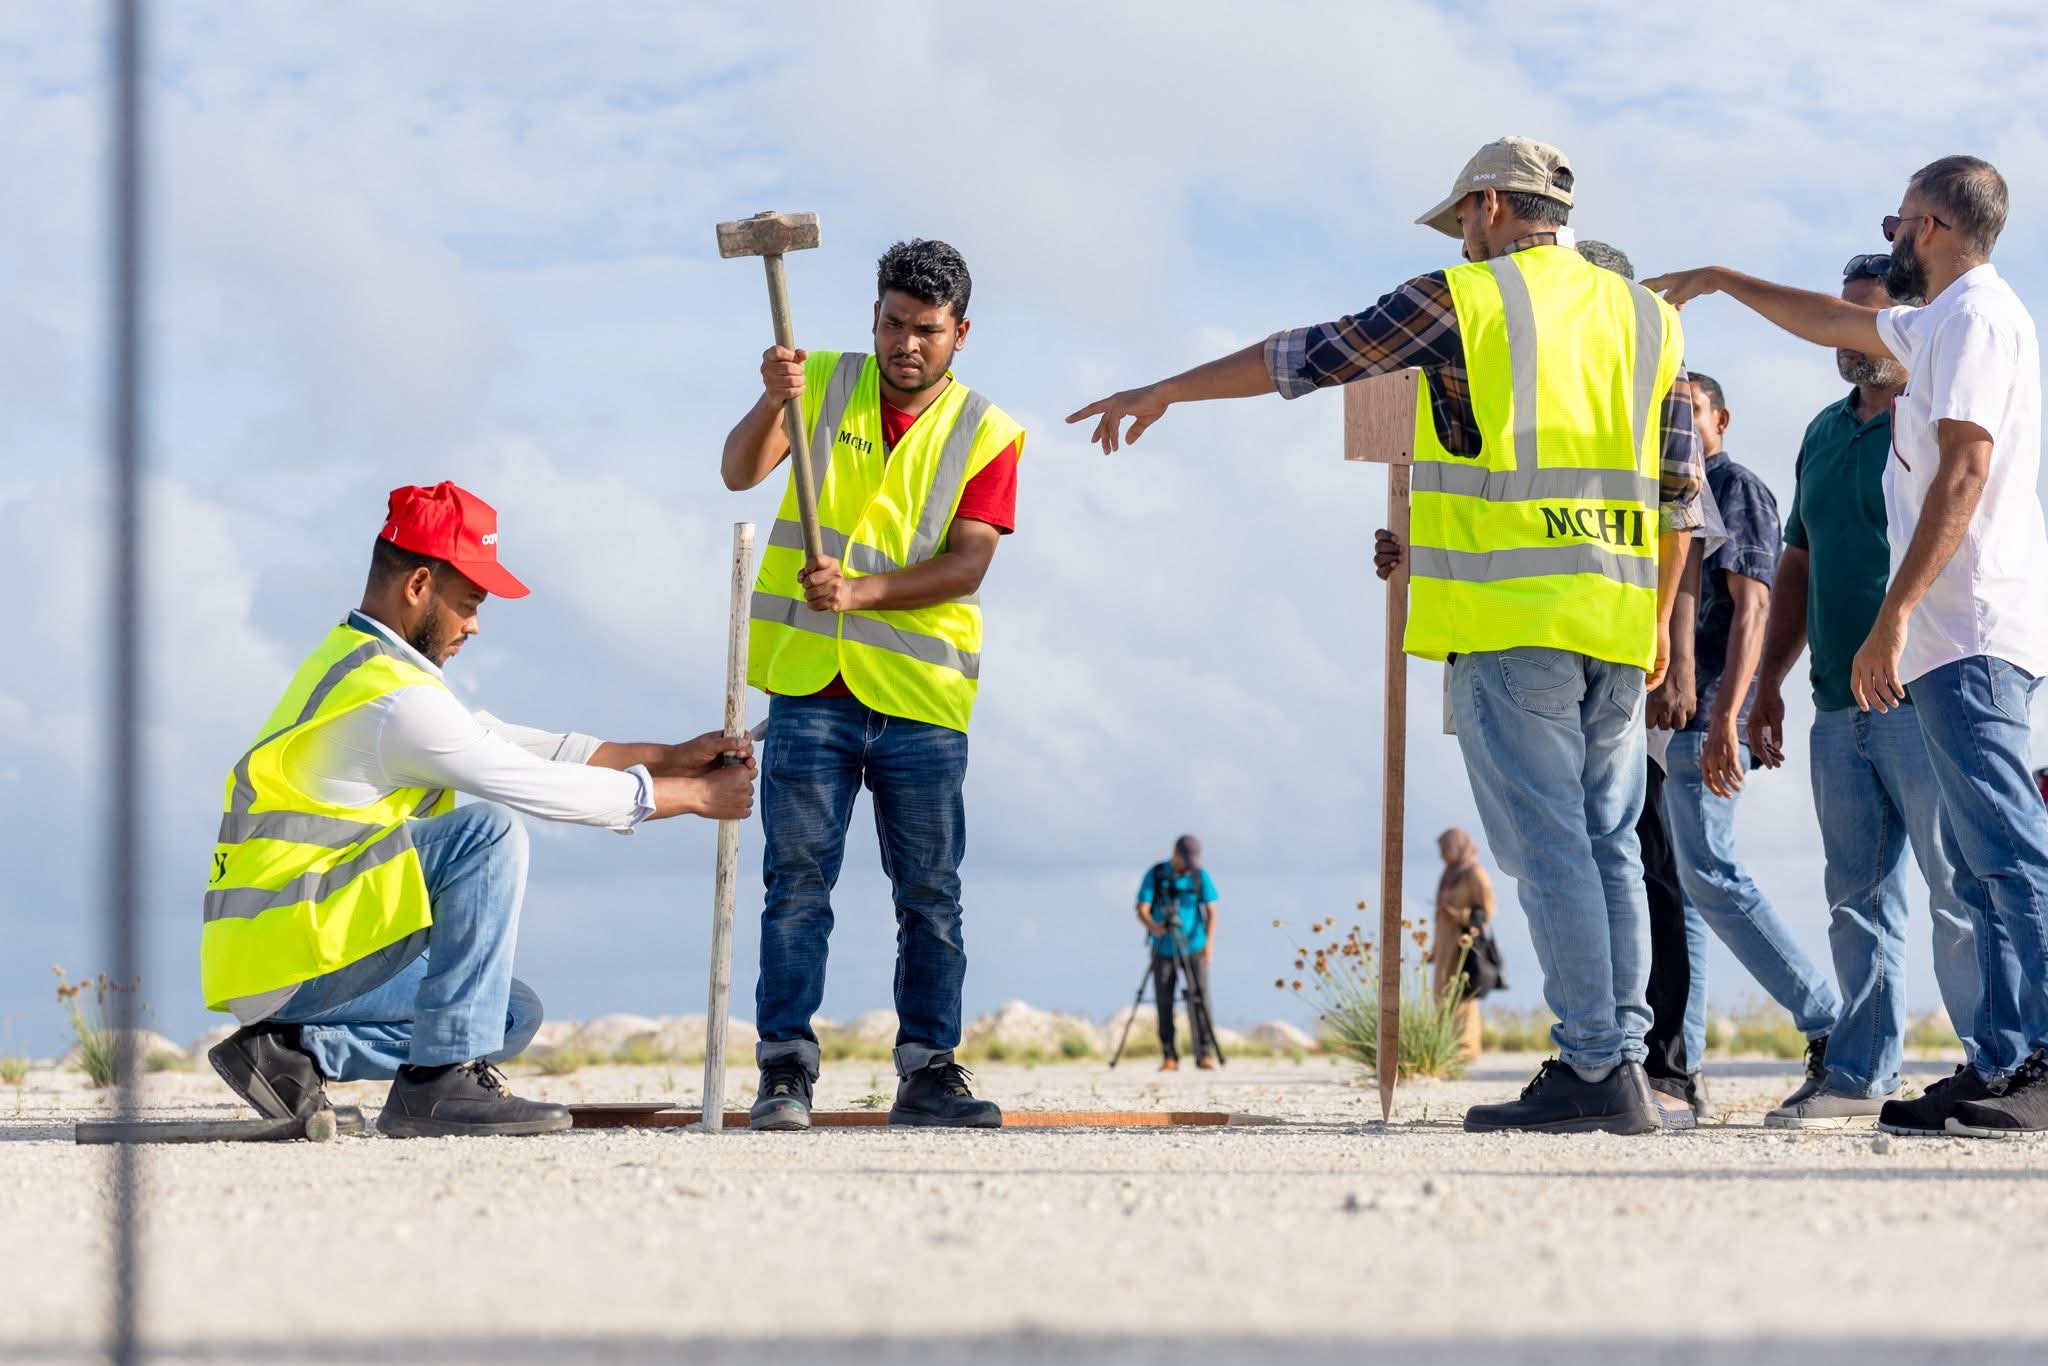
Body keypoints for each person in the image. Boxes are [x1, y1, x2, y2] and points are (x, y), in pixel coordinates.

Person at [1072, 137, 1703, 1134]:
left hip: (1514, 616)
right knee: (1607, 845)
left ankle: (1593, 1067)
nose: (1459, 236)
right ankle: (1621, 1059)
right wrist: (1663, 619)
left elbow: (1310, 354)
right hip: (1620, 618)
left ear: (1490, 205)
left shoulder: (1468, 300)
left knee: (1550, 849)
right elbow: (1678, 493)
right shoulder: (1648, 318)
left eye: (1461, 218)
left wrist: (1164, 389)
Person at [1648, 155, 2048, 1137]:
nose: (1893, 231)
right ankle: (2004, 1067)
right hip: (1940, 644)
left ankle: (2034, 1060)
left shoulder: (1975, 321)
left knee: (2002, 857)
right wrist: (1720, 281)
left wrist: (1893, 612)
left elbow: (1961, 473)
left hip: (1970, 633)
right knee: (1983, 861)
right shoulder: (1933, 322)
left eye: (1898, 217)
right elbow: (1832, 324)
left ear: (1932, 226)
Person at [202, 482, 755, 1139]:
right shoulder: (396, 705)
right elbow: (523, 780)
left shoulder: (366, 670)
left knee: (508, 1015)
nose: (475, 625)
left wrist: (671, 756)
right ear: (418, 585)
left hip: (279, 956)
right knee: (484, 835)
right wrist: (688, 796)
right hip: (296, 945)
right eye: (468, 604)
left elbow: (512, 743)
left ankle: (291, 1052)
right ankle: (436, 1086)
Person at [721, 239, 1024, 1131]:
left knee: (929, 893)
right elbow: (740, 470)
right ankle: (785, 1070)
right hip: (811, 685)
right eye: (893, 323)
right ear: (874, 317)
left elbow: (968, 564)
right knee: (797, 883)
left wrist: (862, 592)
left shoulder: (989, 431)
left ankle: (929, 1070)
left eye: (926, 330)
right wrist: (771, 398)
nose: (906, 344)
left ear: (960, 332)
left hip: (920, 704)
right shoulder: (815, 380)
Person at [1748, 253, 1984, 1127]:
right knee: (1856, 896)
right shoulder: (1821, 430)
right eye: (1839, 320)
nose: (1846, 340)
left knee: (1956, 889)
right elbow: (1799, 561)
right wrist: (1768, 683)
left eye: (1862, 318)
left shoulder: (1931, 422)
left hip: (1922, 692)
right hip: (1835, 705)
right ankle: (1861, 1073)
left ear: (1906, 323)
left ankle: (1995, 1065)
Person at [1657, 374, 1845, 1112]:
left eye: (1690, 409)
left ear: (1720, 418)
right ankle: (1680, 1068)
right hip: (1667, 714)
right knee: (1691, 893)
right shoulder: (1672, 493)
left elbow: (1753, 611)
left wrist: (1727, 716)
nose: (1679, 420)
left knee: (1713, 876)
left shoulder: (1735, 488)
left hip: (1705, 707)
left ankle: (1832, 1021)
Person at [1580, 239, 1719, 1127]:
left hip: (1646, 669)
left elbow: (1684, 541)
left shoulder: (1652, 393)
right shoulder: (1574, 399)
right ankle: (1615, 1044)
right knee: (1600, 854)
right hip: (1587, 648)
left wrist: (1677, 664)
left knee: (1655, 868)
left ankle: (1664, 1059)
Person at [1135, 835, 1221, 1070]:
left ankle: (1204, 1053)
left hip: (1195, 947)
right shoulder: (1157, 874)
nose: (1188, 864)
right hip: (1162, 948)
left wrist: (1209, 945)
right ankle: (1169, 1055)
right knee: (1164, 1001)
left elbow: (1213, 911)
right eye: (1185, 859)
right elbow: (1141, 908)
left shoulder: (1199, 876)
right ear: (1175, 852)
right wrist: (1155, 928)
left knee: (1201, 999)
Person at [1431, 829, 1493, 1064]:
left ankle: (1465, 1050)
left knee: (1463, 1000)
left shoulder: (1475, 874)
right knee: (1441, 996)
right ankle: (1443, 1046)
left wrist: (1459, 914)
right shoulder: (1448, 874)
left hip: (1464, 947)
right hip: (1445, 946)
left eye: (1444, 850)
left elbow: (1486, 912)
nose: (1442, 856)